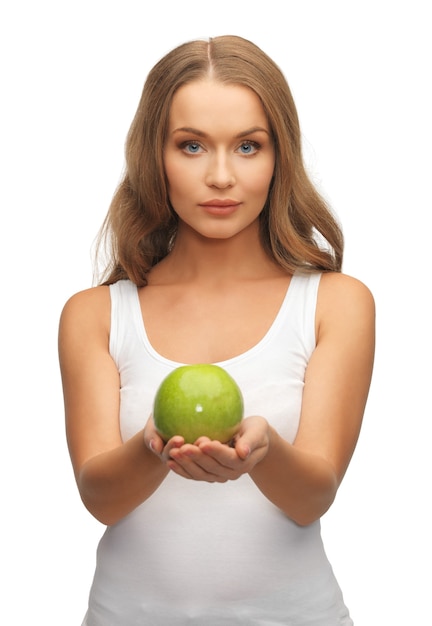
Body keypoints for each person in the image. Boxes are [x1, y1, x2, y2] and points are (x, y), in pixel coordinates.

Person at [58, 34, 375, 626]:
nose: (222, 175)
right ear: (155, 155)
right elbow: (100, 500)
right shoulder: (96, 315)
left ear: (280, 155)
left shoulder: (335, 303)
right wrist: (152, 446)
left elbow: (313, 497)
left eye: (248, 146)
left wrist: (265, 452)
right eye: (193, 145)